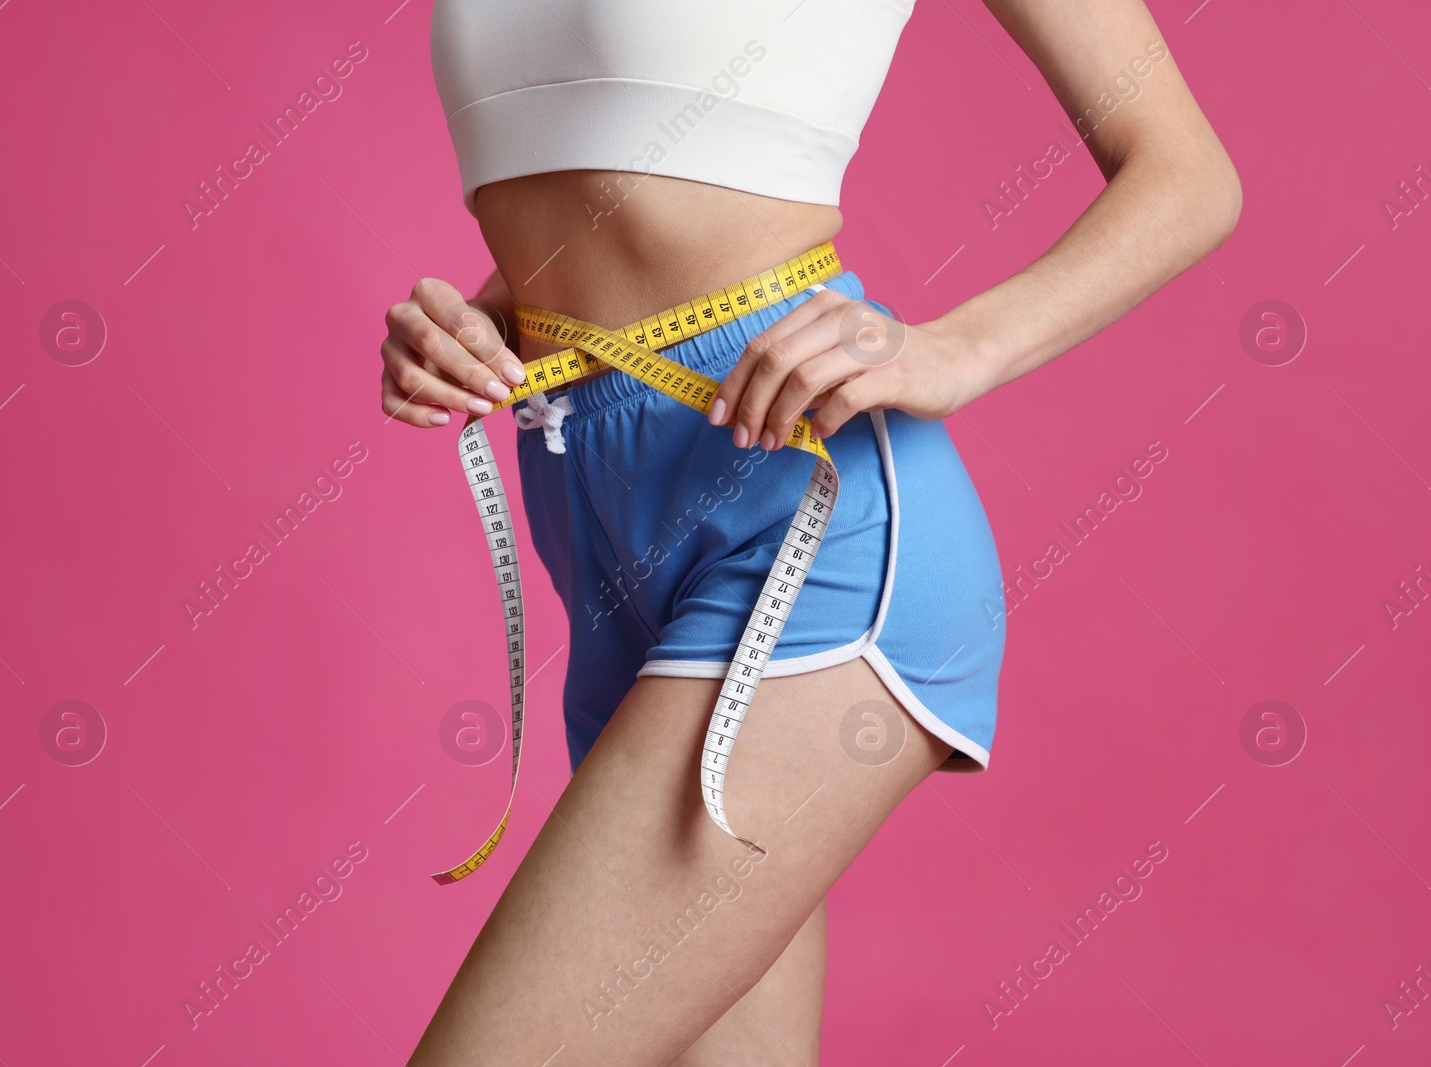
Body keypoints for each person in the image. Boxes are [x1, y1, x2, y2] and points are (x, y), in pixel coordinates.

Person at [382, 1, 1239, 1062]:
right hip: (597, 525)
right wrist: (480, 327)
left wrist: (958, 349)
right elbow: (621, 180)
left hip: (805, 517)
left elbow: (1186, 171)